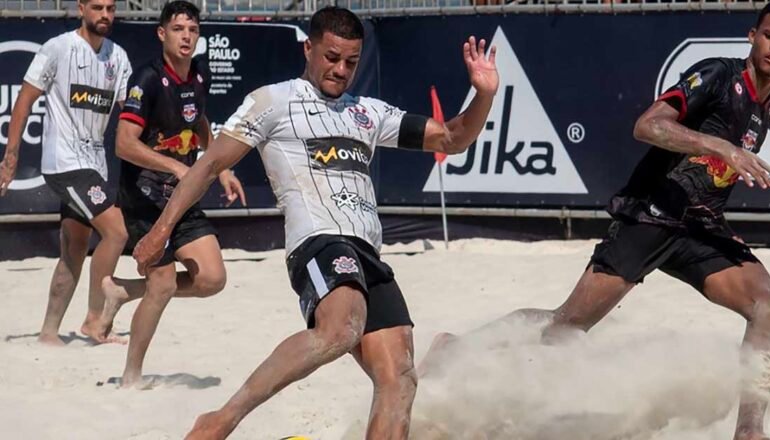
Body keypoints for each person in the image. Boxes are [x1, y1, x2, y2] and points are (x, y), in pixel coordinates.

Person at [420, 2, 770, 439]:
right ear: (752, 35)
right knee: (566, 325)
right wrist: (722, 147)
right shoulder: (718, 75)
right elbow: (648, 125)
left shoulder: (765, 109)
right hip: (651, 215)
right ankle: (455, 349)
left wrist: (722, 165)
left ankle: (749, 431)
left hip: (699, 227)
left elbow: (711, 179)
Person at [132, 6, 498, 438]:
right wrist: (161, 231)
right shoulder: (273, 101)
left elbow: (452, 138)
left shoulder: (367, 111)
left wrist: (484, 95)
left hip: (368, 251)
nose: (340, 69)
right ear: (309, 48)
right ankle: (220, 420)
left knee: (399, 378)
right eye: (331, 57)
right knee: (341, 327)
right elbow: (207, 166)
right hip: (319, 240)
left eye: (351, 61)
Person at [107, 0, 245, 387]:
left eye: (193, 30)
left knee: (212, 280)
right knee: (164, 284)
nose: (186, 36)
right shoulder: (147, 79)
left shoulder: (199, 75)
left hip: (180, 197)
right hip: (143, 197)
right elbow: (123, 144)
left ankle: (123, 290)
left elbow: (198, 119)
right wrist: (176, 166)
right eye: (179, 29)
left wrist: (221, 167)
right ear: (162, 33)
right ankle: (131, 376)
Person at [0, 0, 131, 345]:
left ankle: (47, 332)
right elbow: (24, 101)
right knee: (117, 232)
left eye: (111, 8)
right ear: (81, 8)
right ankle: (93, 319)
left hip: (94, 163)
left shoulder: (118, 56)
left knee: (74, 249)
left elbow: (130, 112)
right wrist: (10, 157)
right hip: (65, 163)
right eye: (98, 7)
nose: (105, 15)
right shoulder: (56, 48)